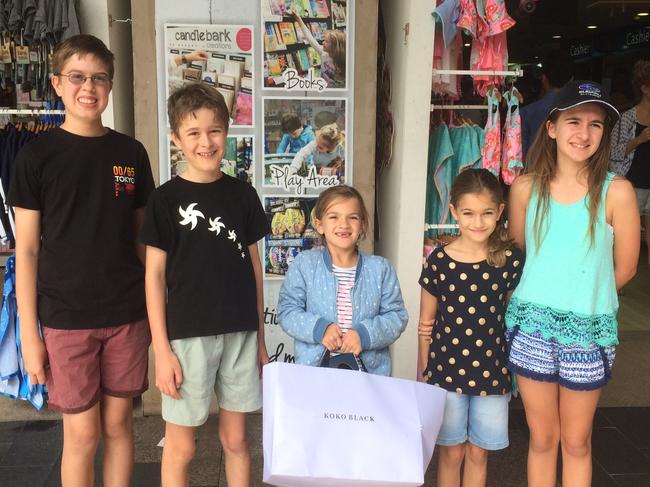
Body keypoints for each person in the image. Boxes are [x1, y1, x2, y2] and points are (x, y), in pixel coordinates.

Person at [10, 34, 155, 486]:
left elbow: (142, 241)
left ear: (109, 86)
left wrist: (157, 312)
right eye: (77, 77)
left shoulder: (130, 153)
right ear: (57, 83)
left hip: (127, 314)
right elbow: (27, 250)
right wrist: (29, 336)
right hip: (65, 317)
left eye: (98, 78)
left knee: (118, 426)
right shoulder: (36, 156)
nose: (88, 87)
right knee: (82, 434)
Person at [506, 80, 639, 487]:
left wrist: (584, 298)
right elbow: (522, 250)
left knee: (577, 441)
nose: (584, 134)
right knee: (543, 437)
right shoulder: (526, 188)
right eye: (574, 121)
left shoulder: (617, 192)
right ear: (551, 127)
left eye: (596, 125)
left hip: (588, 330)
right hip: (531, 325)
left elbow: (627, 268)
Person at [140, 83, 269, 487]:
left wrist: (261, 337)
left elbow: (254, 268)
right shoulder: (163, 201)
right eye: (193, 133)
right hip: (186, 338)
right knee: (182, 448)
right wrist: (161, 350)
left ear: (227, 134)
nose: (206, 142)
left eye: (215, 131)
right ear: (176, 138)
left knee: (237, 441)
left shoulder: (243, 195)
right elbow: (154, 277)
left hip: (241, 333)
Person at [418, 169, 524, 487]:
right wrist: (425, 368)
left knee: (479, 454)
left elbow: (511, 314)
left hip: (493, 373)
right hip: (445, 373)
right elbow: (426, 323)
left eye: (486, 213)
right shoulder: (438, 261)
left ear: (500, 212)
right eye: (468, 213)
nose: (477, 222)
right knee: (451, 454)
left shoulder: (510, 260)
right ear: (453, 212)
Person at [277, 185, 408, 376]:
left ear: (362, 224)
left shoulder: (380, 269)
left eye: (353, 217)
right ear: (319, 224)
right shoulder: (304, 265)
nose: (344, 224)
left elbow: (397, 316)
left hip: (368, 376)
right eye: (334, 217)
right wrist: (320, 329)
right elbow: (287, 311)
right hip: (315, 374)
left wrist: (364, 335)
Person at [610, 60, 650, 265]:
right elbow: (613, 152)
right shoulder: (627, 118)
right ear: (644, 88)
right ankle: (618, 276)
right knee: (624, 234)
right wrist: (639, 140)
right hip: (632, 183)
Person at [520, 51, 573, 159]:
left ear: (543, 79)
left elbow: (520, 153)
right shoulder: (581, 112)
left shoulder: (525, 113)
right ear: (572, 80)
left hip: (533, 172)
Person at [291, 11, 346, 88]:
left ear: (334, 46)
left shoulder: (344, 61)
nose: (323, 42)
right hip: (323, 92)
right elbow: (310, 38)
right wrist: (299, 19)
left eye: (326, 41)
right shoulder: (323, 53)